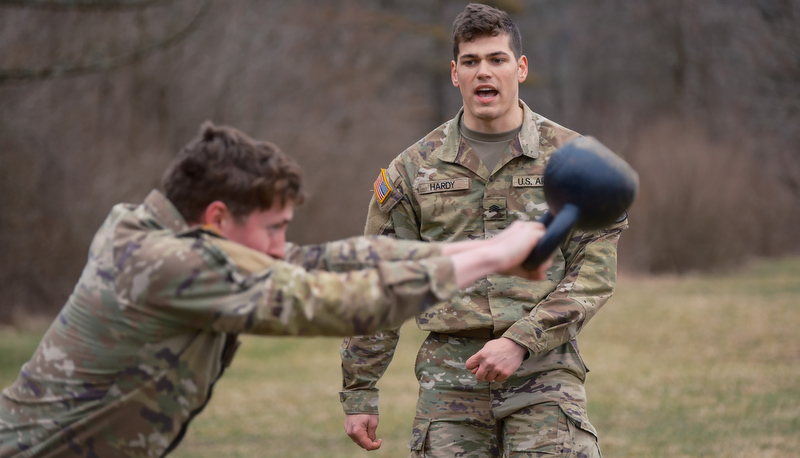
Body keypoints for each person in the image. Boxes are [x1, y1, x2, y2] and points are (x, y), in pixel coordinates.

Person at [0, 121, 552, 457]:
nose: (279, 246)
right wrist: (496, 256)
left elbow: (329, 262)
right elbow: (339, 303)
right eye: (273, 228)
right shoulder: (163, 264)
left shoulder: (159, 231)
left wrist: (483, 252)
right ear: (218, 217)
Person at [340, 3, 628, 457]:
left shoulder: (574, 161)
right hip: (449, 384)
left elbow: (592, 274)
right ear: (455, 73)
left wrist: (521, 340)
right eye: (471, 62)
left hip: (544, 374)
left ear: (521, 67)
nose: (484, 73)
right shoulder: (413, 170)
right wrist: (359, 389)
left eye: (497, 59)